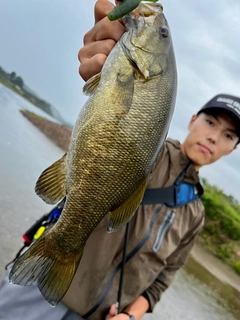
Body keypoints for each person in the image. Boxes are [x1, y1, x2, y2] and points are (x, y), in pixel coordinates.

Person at [0, 0, 240, 319]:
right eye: (210, 122)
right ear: (192, 119)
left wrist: (131, 315)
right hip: (41, 296)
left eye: (228, 135)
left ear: (233, 149)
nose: (213, 136)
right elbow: (111, 116)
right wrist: (109, 57)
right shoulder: (154, 150)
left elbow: (163, 279)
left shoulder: (195, 214)